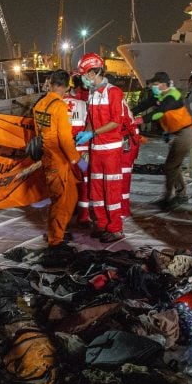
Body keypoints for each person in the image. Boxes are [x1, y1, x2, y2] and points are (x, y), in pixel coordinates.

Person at [74, 53, 126, 243]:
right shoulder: (93, 94)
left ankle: (115, 228)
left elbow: (115, 122)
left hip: (111, 149)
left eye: (85, 74)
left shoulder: (114, 92)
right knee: (96, 190)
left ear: (94, 72)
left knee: (111, 189)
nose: (83, 79)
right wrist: (84, 134)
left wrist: (93, 133)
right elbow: (89, 119)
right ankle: (102, 223)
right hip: (96, 149)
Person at [34, 69, 87, 249]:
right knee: (62, 200)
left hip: (47, 156)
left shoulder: (40, 105)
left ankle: (57, 231)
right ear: (64, 87)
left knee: (69, 197)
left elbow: (38, 133)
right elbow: (64, 139)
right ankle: (55, 239)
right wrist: (78, 160)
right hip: (58, 159)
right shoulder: (59, 107)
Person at [132, 71, 192, 210]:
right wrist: (129, 112)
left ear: (163, 84)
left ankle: (168, 198)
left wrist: (138, 120)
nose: (153, 87)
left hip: (185, 133)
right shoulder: (159, 94)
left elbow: (160, 112)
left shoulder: (173, 95)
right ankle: (181, 194)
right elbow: (144, 105)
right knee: (174, 166)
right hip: (176, 132)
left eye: (155, 84)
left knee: (170, 166)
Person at [63, 76, 90, 224]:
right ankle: (84, 215)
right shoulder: (84, 104)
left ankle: (67, 213)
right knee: (84, 180)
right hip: (82, 152)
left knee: (66, 180)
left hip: (65, 151)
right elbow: (89, 126)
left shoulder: (58, 104)